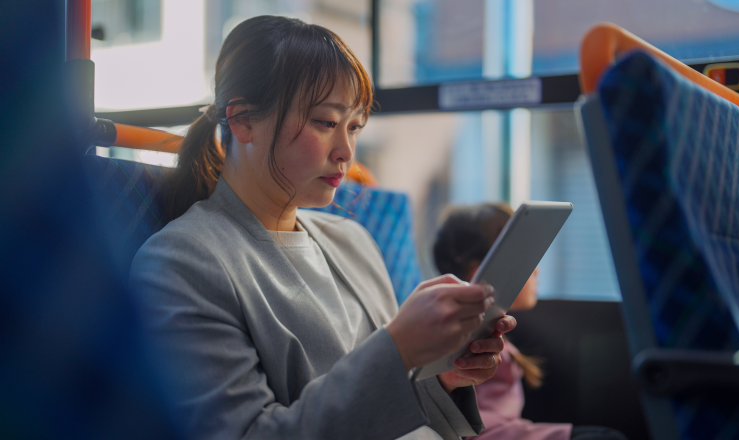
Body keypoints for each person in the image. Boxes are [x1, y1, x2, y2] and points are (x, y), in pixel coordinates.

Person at [129, 15, 517, 440]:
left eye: (354, 127)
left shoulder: (352, 240)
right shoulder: (181, 263)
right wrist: (398, 348)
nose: (346, 151)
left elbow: (385, 410)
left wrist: (443, 377)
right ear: (242, 121)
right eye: (327, 123)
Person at [433, 204, 628, 440]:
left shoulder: (493, 330)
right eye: (525, 258)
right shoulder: (463, 336)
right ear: (480, 273)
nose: (536, 270)